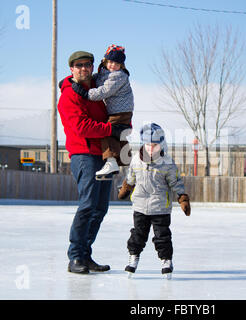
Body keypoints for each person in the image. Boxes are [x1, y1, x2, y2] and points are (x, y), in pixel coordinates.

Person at [58, 50, 130, 274]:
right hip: (84, 155)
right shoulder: (70, 95)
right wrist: (111, 129)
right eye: (78, 65)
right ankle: (75, 256)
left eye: (87, 65)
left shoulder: (95, 91)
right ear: (72, 69)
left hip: (102, 155)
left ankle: (86, 254)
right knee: (88, 205)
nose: (83, 69)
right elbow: (81, 126)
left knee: (100, 207)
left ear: (93, 67)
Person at [118, 123, 191, 279]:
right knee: (138, 234)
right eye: (148, 145)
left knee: (162, 236)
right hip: (140, 206)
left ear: (162, 144)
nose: (151, 149)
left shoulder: (167, 163)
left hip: (160, 208)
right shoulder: (136, 160)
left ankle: (166, 260)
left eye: (155, 145)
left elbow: (176, 182)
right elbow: (131, 176)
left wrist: (182, 198)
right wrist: (126, 187)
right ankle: (133, 257)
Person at [71, 44, 134, 180]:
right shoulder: (105, 72)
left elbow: (103, 92)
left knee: (107, 133)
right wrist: (68, 81)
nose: (112, 65)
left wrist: (85, 93)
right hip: (119, 111)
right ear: (105, 61)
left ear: (121, 65)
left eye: (117, 63)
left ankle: (111, 162)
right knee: (118, 137)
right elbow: (95, 78)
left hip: (121, 112)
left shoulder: (118, 76)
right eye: (110, 62)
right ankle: (129, 168)